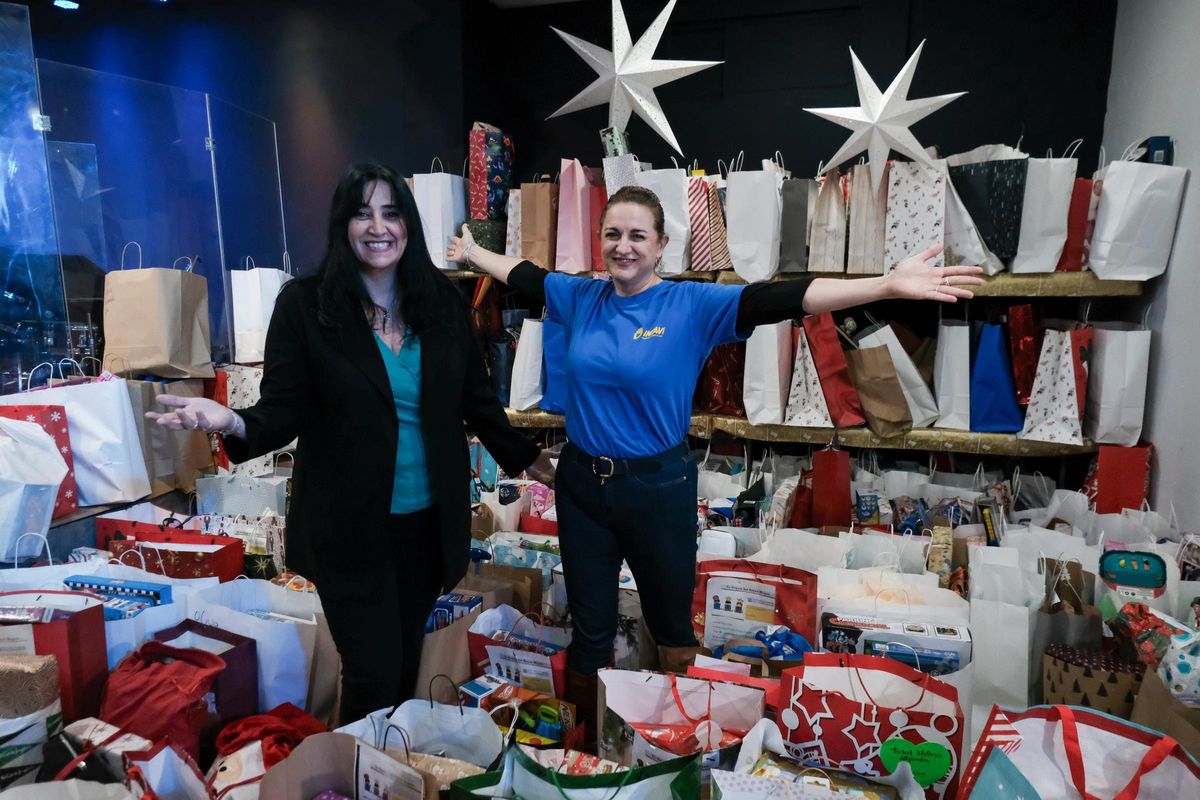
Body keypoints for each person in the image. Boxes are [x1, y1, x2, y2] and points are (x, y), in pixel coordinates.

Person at [446, 183, 983, 734]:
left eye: (637, 236)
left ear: (660, 246)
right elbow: (524, 273)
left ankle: (676, 741)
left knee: (673, 628)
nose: (623, 246)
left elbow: (788, 297)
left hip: (657, 489)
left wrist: (887, 285)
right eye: (612, 234)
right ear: (599, 242)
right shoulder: (580, 297)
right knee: (590, 630)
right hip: (582, 485)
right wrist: (472, 255)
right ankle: (586, 749)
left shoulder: (690, 304)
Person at [149, 161, 554, 724]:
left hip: (428, 526)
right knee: (372, 672)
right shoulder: (307, 306)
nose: (377, 226)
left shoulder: (440, 304)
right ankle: (363, 775)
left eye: (390, 212)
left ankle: (383, 769)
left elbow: (477, 401)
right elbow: (281, 410)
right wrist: (230, 421)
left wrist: (533, 461)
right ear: (343, 224)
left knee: (407, 661)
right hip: (348, 530)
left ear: (408, 224)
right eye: (362, 213)